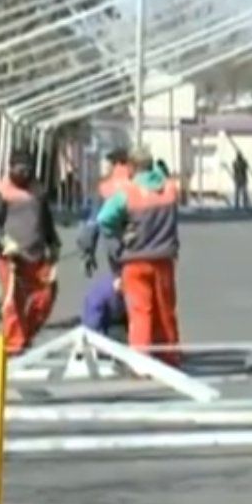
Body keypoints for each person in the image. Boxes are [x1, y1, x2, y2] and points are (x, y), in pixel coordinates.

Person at [95, 147, 182, 366]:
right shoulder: (170, 189)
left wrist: (120, 238)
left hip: (134, 260)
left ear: (132, 167)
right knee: (165, 311)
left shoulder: (127, 193)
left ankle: (141, 363)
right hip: (163, 259)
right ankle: (170, 357)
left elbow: (104, 219)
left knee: (140, 313)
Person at [0, 149, 62, 355]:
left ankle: (25, 333)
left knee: (45, 297)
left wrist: (54, 244)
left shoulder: (37, 190)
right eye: (20, 168)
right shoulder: (2, 190)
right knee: (12, 300)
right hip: (10, 255)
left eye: (27, 168)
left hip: (36, 255)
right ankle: (13, 345)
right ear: (11, 168)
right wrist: (3, 240)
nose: (24, 173)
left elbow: (46, 221)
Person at [77, 148, 131, 278]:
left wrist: (87, 252)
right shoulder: (140, 183)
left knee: (120, 283)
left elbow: (92, 224)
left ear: (115, 164)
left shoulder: (105, 188)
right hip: (147, 248)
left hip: (116, 247)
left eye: (108, 164)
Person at [81, 271, 128, 340]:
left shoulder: (119, 289)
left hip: (116, 319)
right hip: (104, 326)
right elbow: (92, 324)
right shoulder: (102, 295)